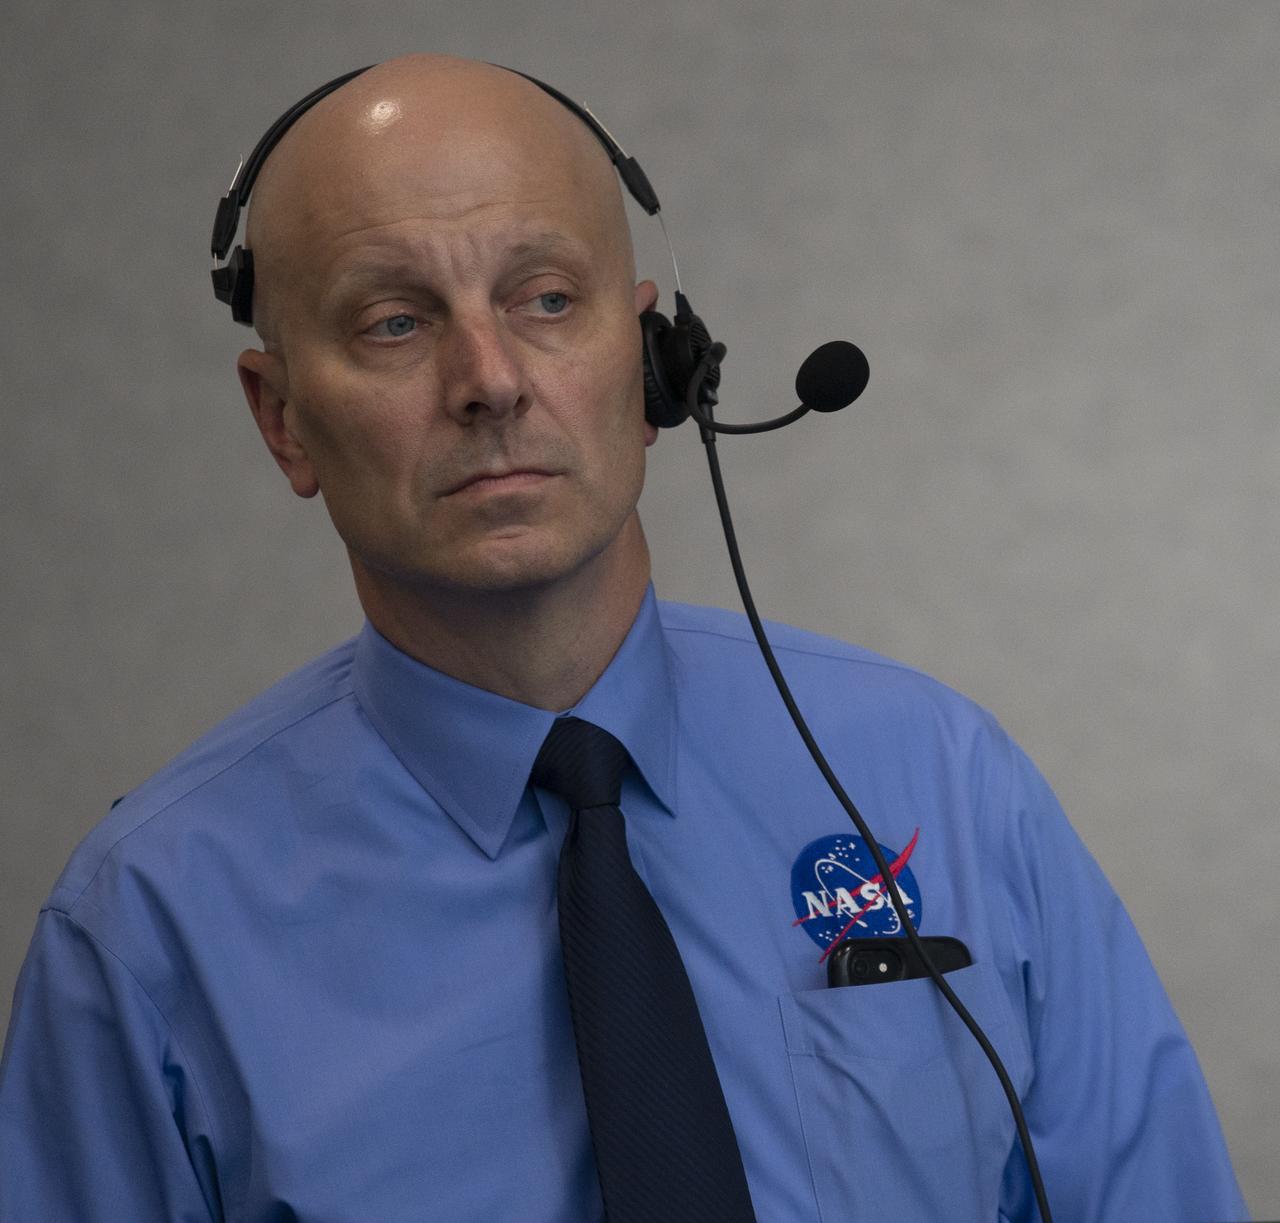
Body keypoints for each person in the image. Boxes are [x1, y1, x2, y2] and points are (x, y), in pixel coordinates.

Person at [0, 54, 1248, 1223]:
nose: (488, 377)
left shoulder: (940, 777)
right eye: (394, 321)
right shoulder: (147, 932)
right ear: (281, 420)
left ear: (657, 364)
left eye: (545, 299)